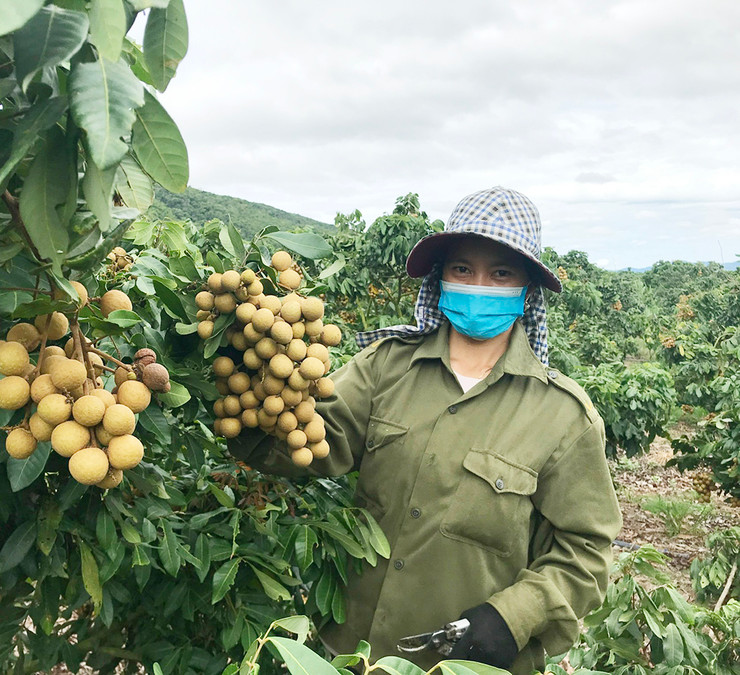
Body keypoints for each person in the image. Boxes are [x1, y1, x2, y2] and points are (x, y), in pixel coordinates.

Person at [230, 186, 622, 674]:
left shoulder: (563, 415)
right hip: (350, 653)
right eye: (463, 269)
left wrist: (512, 618)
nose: (479, 284)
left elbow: (585, 551)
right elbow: (310, 443)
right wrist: (244, 393)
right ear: (442, 279)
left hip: (466, 664)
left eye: (501, 272)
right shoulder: (384, 368)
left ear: (527, 289)